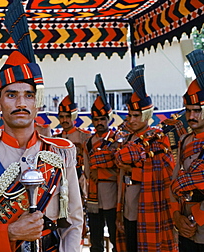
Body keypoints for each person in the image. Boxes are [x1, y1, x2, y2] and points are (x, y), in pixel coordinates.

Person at [0, 1, 83, 251]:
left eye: (29, 95)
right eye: (11, 95)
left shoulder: (61, 153)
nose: (21, 103)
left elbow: (73, 224)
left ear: (38, 103)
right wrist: (10, 232)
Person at [114, 65, 176, 252]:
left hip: (150, 206)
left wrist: (132, 167)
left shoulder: (157, 137)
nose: (131, 120)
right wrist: (119, 210)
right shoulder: (127, 137)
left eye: (136, 115)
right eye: (130, 115)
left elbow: (122, 158)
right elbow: (120, 172)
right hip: (128, 207)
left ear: (147, 115)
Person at [170, 49, 204, 251]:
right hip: (184, 220)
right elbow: (175, 180)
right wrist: (177, 216)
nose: (191, 116)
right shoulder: (184, 140)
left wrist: (197, 217)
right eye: (188, 111)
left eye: (197, 111)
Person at [54, 77, 90, 244]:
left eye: (67, 116)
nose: (64, 120)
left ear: (73, 115)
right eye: (61, 116)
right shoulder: (56, 138)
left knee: (78, 216)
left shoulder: (84, 137)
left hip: (79, 179)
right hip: (60, 182)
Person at [85, 74, 118, 252]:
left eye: (102, 119)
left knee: (115, 237)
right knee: (95, 240)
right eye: (96, 120)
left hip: (112, 196)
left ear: (108, 120)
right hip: (94, 198)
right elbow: (88, 171)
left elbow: (120, 170)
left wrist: (103, 174)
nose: (99, 123)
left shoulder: (117, 140)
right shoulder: (89, 143)